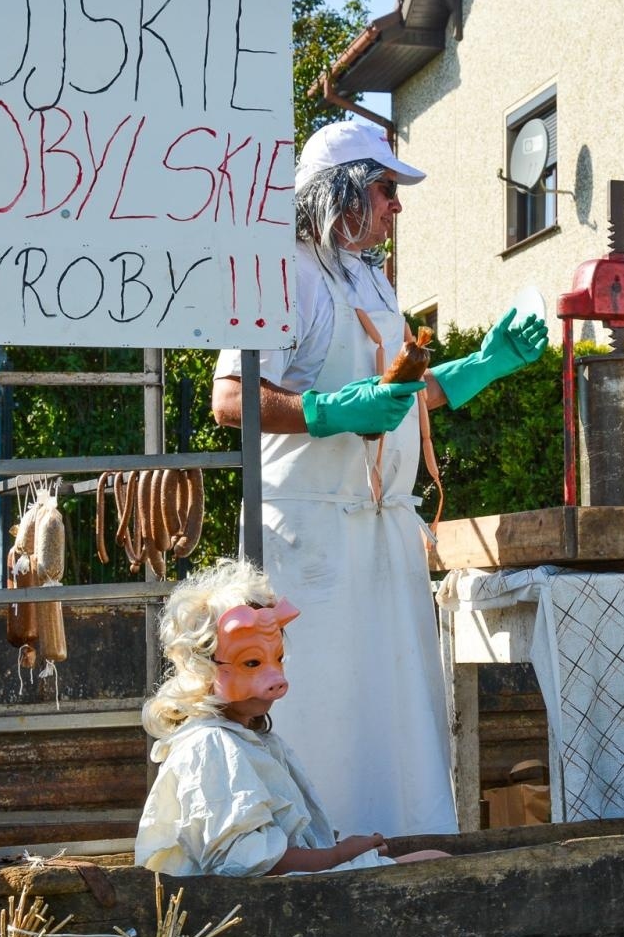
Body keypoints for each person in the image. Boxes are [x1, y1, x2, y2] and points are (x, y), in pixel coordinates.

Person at [211, 119, 547, 837]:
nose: (397, 205)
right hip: (308, 536)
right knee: (317, 709)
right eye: (386, 188)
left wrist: (484, 365)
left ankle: (396, 855)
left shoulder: (369, 277)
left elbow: (398, 395)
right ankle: (312, 857)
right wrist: (328, 410)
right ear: (342, 191)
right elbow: (230, 398)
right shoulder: (281, 270)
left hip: (382, 534)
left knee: (396, 713)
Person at [135, 559, 448, 876]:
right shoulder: (210, 746)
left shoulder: (254, 742)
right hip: (262, 897)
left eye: (278, 658)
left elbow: (283, 840)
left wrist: (341, 850)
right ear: (203, 669)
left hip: (293, 886)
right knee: (433, 864)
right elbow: (252, 862)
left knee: (434, 859)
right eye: (252, 663)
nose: (275, 677)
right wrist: (340, 854)